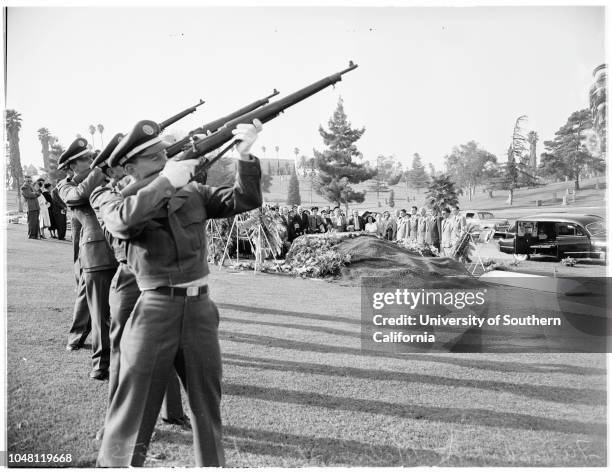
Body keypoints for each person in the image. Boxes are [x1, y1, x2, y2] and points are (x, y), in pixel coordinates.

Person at [94, 118, 263, 467]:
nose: (164, 161)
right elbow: (123, 222)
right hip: (154, 308)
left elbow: (244, 200)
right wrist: (166, 180)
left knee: (207, 407)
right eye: (153, 159)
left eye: (164, 154)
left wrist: (245, 156)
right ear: (128, 167)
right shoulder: (112, 197)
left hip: (200, 309)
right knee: (134, 411)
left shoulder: (193, 193)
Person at [57, 138, 117, 380]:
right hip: (96, 253)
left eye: (91, 156)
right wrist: (100, 170)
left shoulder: (102, 177)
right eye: (84, 158)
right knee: (99, 312)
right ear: (71, 165)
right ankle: (101, 364)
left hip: (123, 248)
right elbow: (78, 197)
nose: (90, 160)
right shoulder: (65, 186)